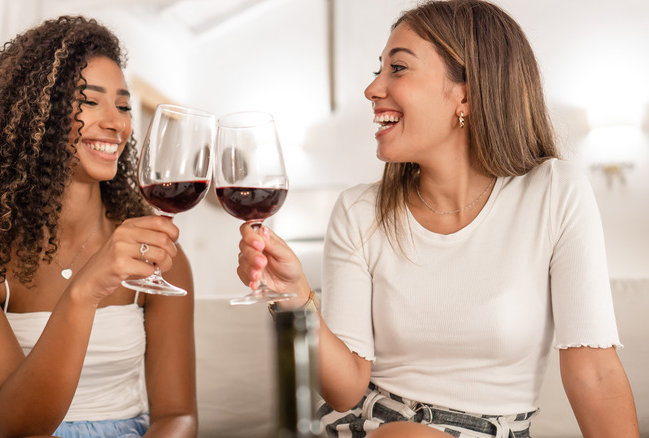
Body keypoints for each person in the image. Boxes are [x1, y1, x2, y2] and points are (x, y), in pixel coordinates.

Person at [235, 1, 639, 437]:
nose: (372, 89)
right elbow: (345, 391)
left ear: (467, 93)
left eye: (398, 68)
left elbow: (595, 373)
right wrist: (294, 294)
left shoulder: (555, 191)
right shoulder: (358, 210)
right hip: (362, 426)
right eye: (379, 70)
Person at [0, 16, 196, 438]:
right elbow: (19, 425)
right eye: (89, 101)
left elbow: (178, 415)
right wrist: (86, 290)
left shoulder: (157, 257)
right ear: (35, 114)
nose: (117, 123)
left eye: (122, 106)